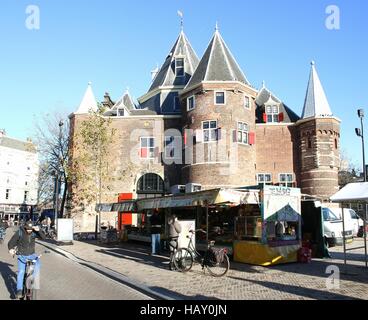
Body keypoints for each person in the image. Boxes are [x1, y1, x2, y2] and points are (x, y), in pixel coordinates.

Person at [8, 220, 46, 299]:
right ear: (25, 227)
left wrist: (39, 230)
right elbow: (11, 242)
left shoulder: (34, 232)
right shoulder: (20, 232)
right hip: (22, 255)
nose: (29, 230)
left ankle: (33, 281)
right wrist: (11, 249)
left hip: (32, 255)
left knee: (38, 264)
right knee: (21, 272)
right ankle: (19, 290)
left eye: (30, 229)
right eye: (28, 229)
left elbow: (43, 237)